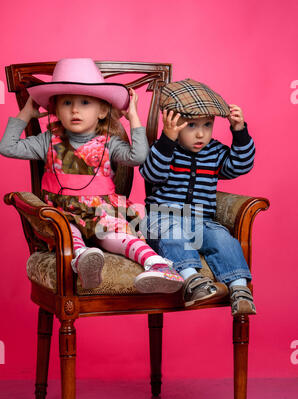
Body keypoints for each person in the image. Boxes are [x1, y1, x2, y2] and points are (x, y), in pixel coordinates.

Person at [0, 58, 184, 293]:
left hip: (101, 211)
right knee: (69, 231)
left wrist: (133, 116)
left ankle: (157, 265)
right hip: (62, 213)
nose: (75, 110)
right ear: (55, 109)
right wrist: (27, 111)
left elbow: (138, 157)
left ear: (102, 111)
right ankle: (83, 258)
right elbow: (7, 147)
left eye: (85, 103)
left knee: (114, 236)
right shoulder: (48, 140)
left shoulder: (108, 143)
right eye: (67, 103)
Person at [139, 79, 256, 314]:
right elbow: (152, 173)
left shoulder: (213, 151)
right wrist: (167, 139)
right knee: (174, 233)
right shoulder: (164, 150)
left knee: (223, 239)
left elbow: (240, 164)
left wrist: (239, 132)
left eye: (207, 125)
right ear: (173, 124)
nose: (201, 133)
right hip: (162, 219)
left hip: (201, 221)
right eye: (191, 125)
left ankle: (239, 289)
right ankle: (192, 279)